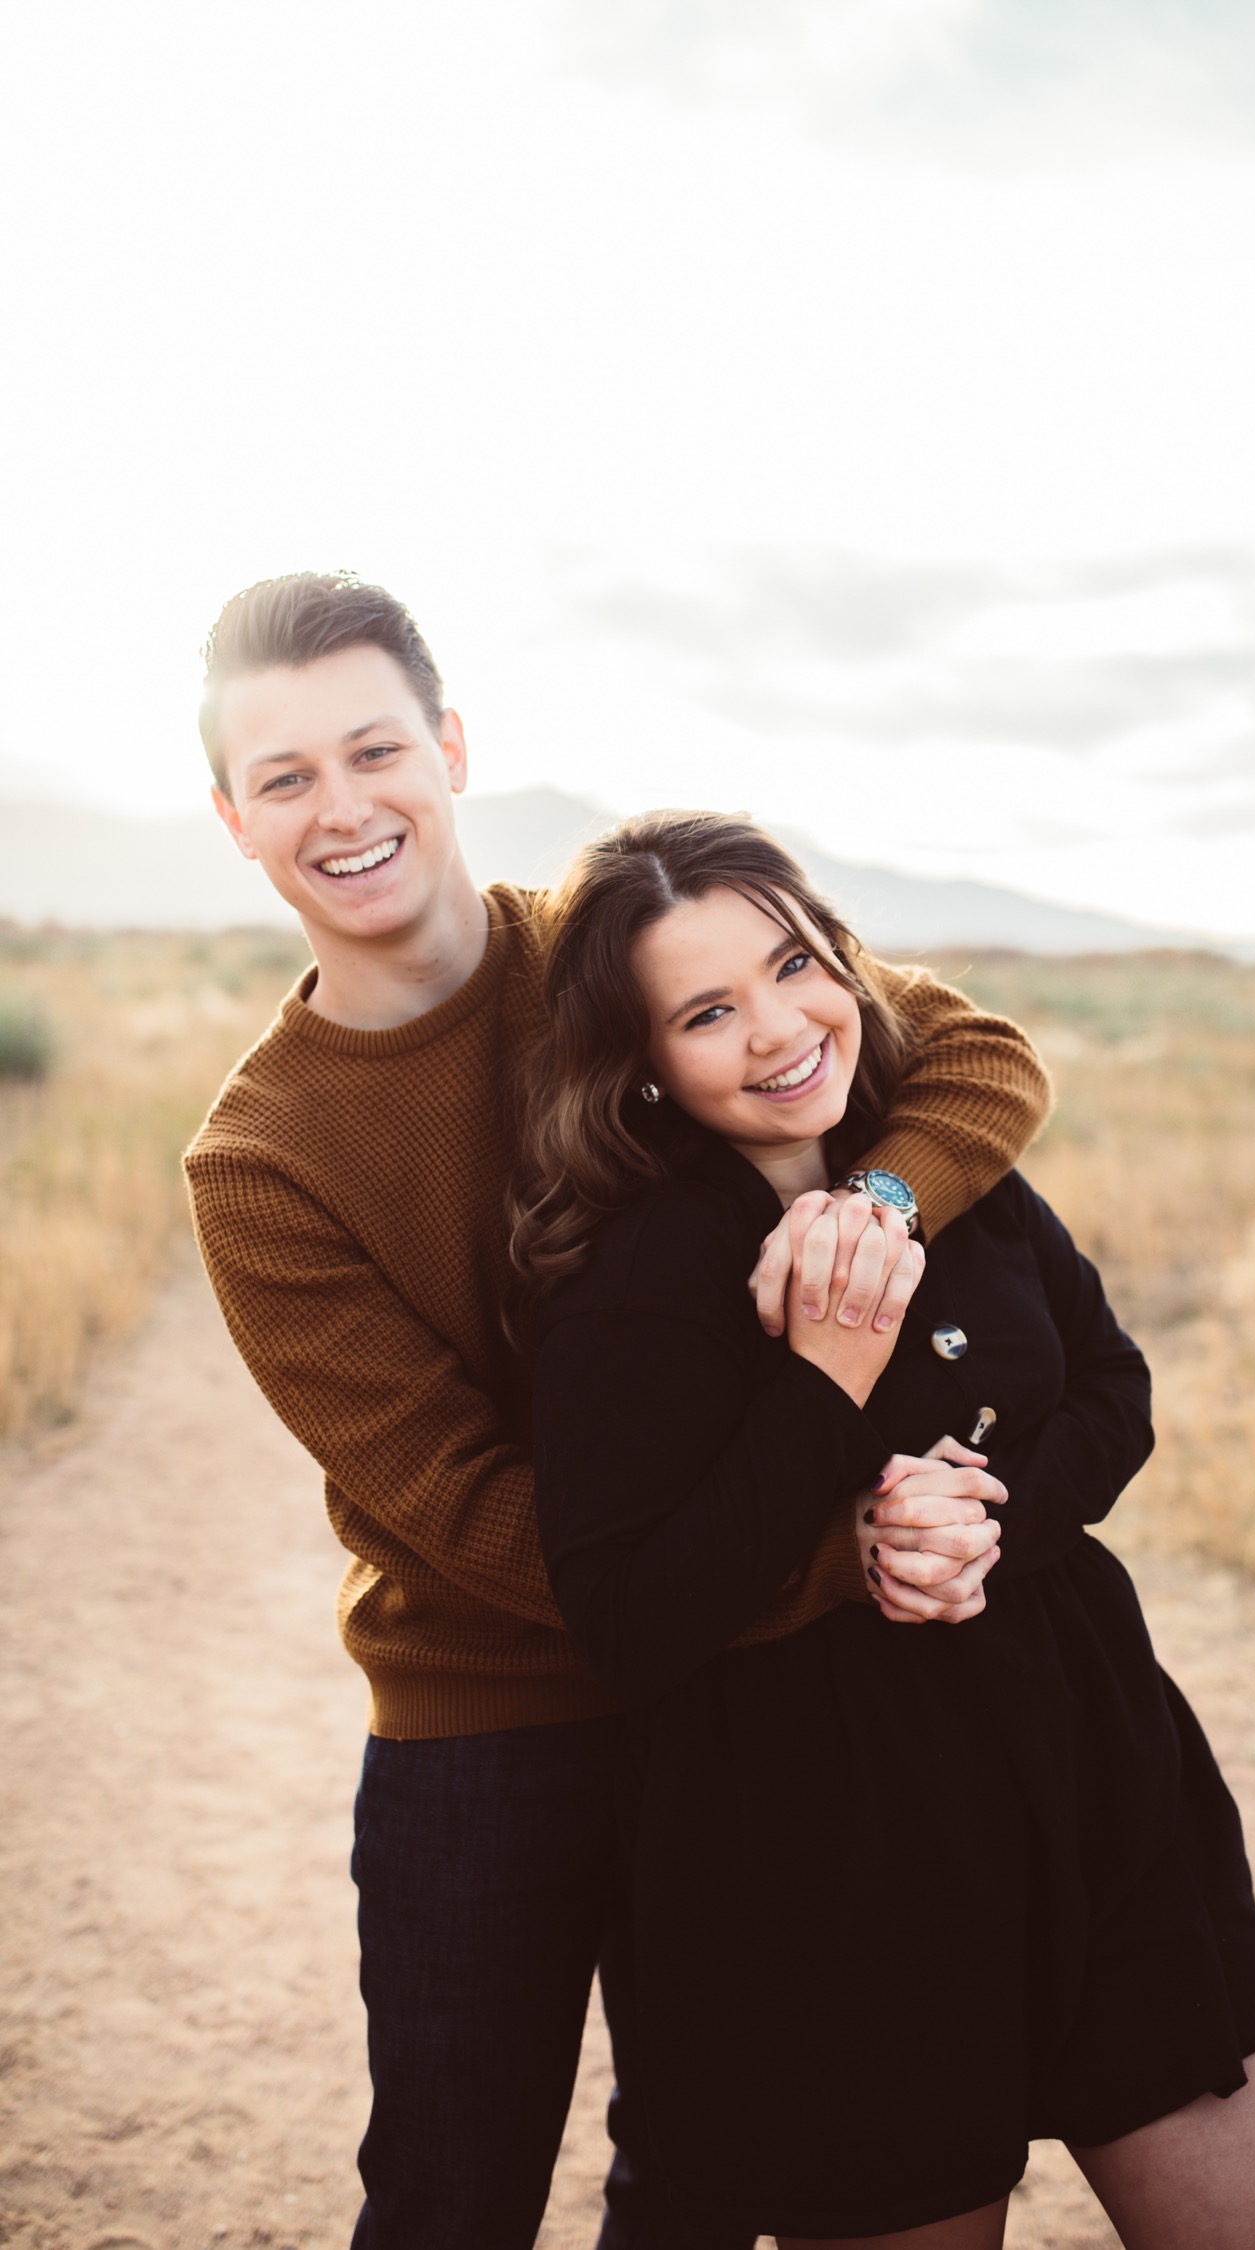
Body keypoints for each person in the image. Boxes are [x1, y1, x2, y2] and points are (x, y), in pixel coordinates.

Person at [182, 572, 1056, 2247]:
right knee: (452, 2190)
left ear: (448, 747)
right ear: (233, 820)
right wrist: (828, 1560)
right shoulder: (262, 1164)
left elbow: (978, 1055)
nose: (344, 807)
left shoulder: (612, 952)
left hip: (740, 1706)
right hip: (487, 1721)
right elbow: (461, 1503)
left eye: (375, 749)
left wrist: (863, 1208)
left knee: (712, 2170)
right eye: (284, 777)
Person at [518, 811, 1255, 2250]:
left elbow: (1113, 1388)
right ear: (643, 1063)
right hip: (837, 1849)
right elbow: (630, 1619)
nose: (783, 1029)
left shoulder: (945, 1177)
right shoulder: (636, 1282)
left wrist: (983, 1520)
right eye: (711, 1010)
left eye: (797, 965)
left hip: (1092, 1764)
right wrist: (824, 1385)